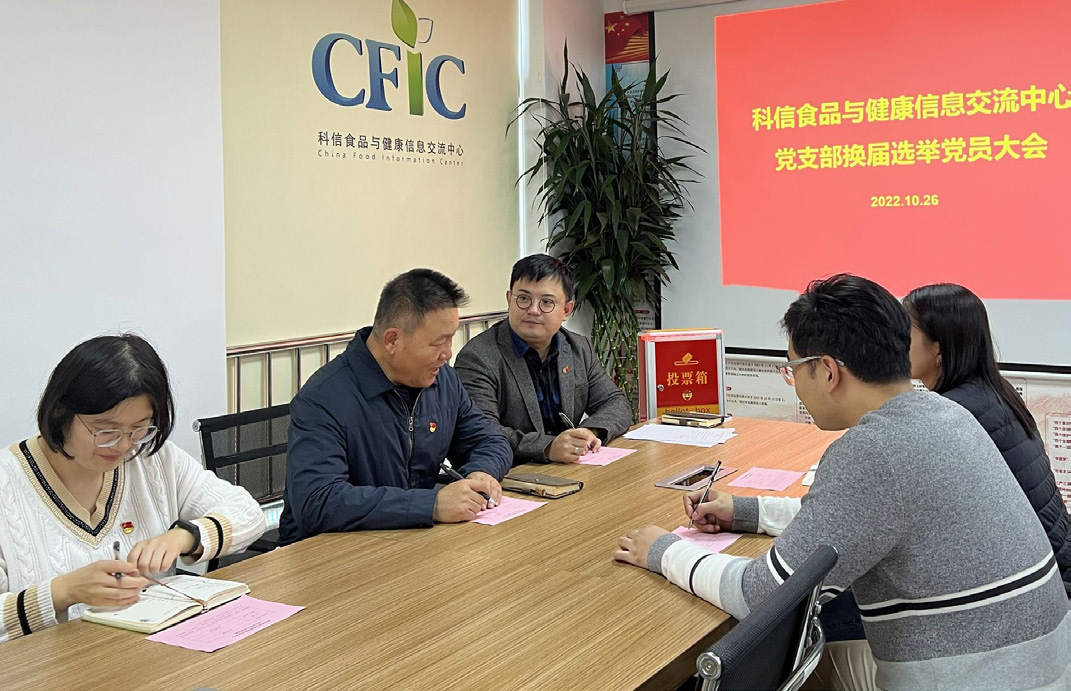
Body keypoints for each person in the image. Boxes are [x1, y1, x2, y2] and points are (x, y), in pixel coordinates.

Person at [614, 274, 1069, 691]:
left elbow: (762, 596)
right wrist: (746, 512)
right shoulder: (943, 412)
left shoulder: (875, 451)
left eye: (793, 368)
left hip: (978, 676)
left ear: (828, 371)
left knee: (781, 664)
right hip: (1036, 663)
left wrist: (663, 551)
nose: (794, 382)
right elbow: (859, 517)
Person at [0, 335, 267, 643]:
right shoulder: (8, 484)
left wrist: (184, 537)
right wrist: (63, 592)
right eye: (106, 430)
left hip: (150, 656)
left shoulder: (152, 460)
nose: (124, 445)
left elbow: (249, 514)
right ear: (60, 414)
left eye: (140, 428)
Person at [278, 269, 512, 543]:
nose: (448, 353)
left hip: (409, 540)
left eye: (451, 338)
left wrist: (480, 473)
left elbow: (491, 440)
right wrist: (431, 505)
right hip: (329, 553)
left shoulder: (442, 381)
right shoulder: (324, 398)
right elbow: (317, 501)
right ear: (392, 340)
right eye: (439, 341)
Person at [904, 282, 1071, 593]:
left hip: (1040, 575)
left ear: (938, 347)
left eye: (905, 333)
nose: (896, 343)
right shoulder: (991, 390)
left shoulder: (954, 413)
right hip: (1055, 550)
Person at [455, 254, 631, 464]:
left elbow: (615, 402)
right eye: (523, 298)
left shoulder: (578, 347)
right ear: (509, 300)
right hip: (509, 474)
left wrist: (588, 432)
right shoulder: (478, 357)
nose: (533, 310)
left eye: (546, 302)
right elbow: (481, 431)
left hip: (568, 469)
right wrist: (547, 447)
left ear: (566, 310)